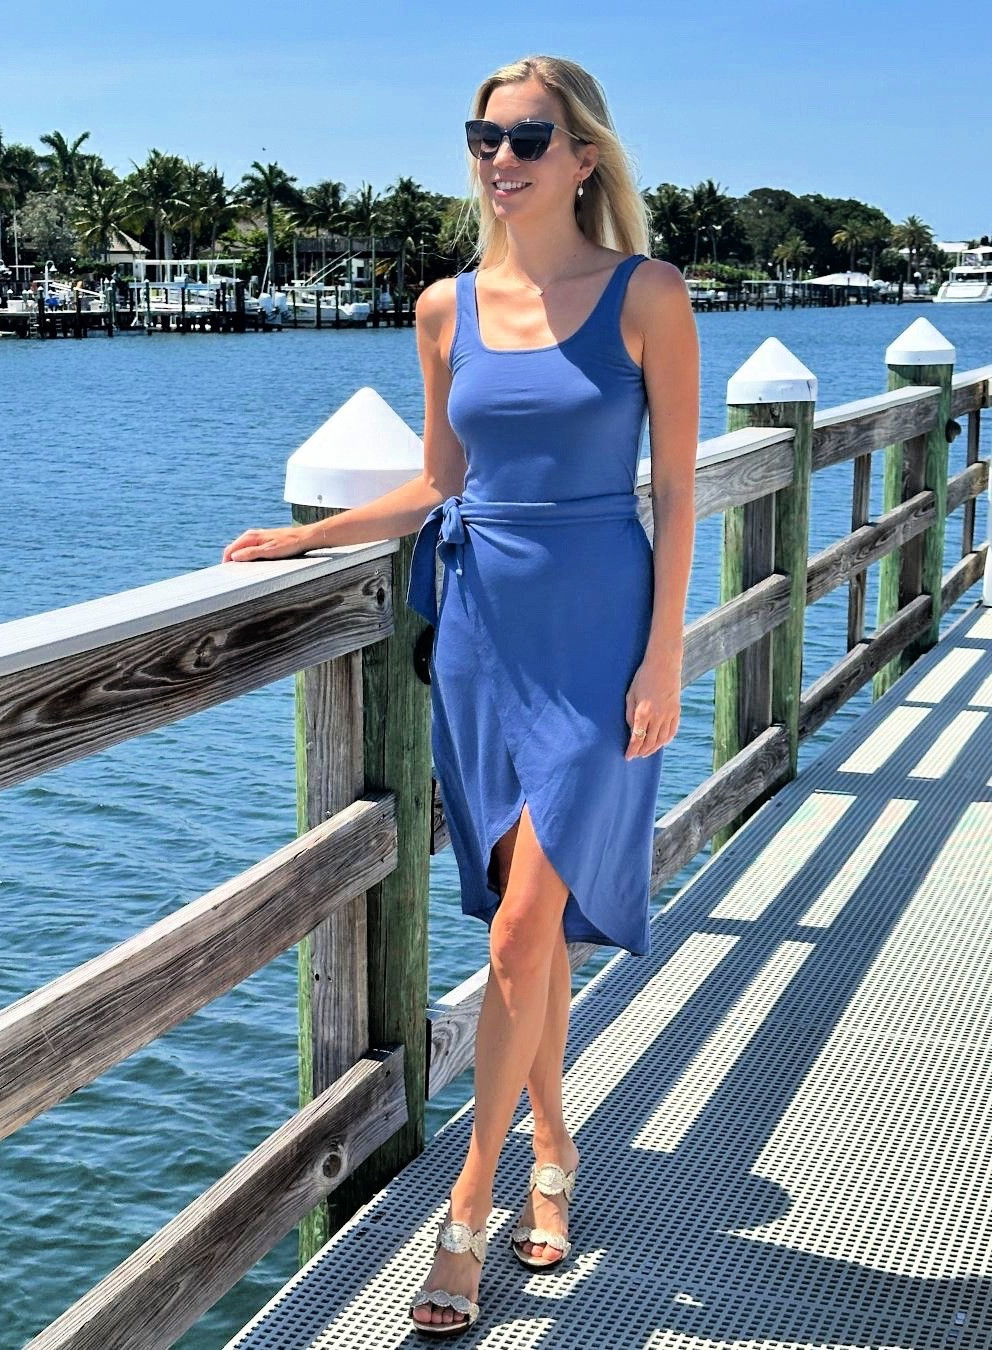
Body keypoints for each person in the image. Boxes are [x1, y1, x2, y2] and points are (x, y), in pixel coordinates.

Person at [222, 52, 697, 1339]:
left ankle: (469, 1212)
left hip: (602, 640)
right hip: (482, 638)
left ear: (583, 156)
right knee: (521, 935)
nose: (501, 156)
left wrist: (664, 659)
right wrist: (303, 541)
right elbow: (439, 480)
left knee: (514, 934)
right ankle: (556, 1151)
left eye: (529, 136)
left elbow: (682, 495)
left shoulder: (648, 295)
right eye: (485, 134)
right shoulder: (444, 309)